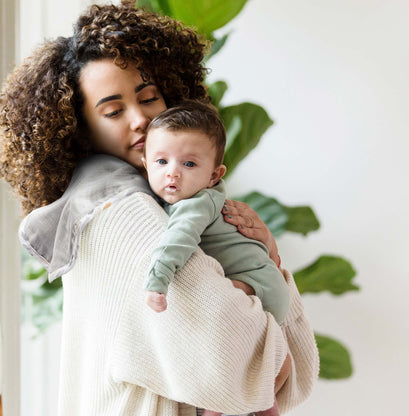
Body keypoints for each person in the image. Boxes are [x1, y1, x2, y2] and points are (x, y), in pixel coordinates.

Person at [0, 1, 319, 415]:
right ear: (77, 130)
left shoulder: (160, 201)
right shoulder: (121, 213)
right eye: (113, 111)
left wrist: (266, 259)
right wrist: (268, 284)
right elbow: (263, 369)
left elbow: (290, 378)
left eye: (149, 98)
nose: (141, 120)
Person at [142, 101, 291, 416]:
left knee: (217, 351)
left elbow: (177, 241)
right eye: (161, 161)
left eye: (189, 164)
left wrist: (157, 282)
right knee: (258, 376)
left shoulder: (194, 205)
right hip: (267, 284)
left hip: (254, 285)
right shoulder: (202, 199)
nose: (172, 172)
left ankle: (214, 407)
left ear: (214, 175)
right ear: (146, 164)